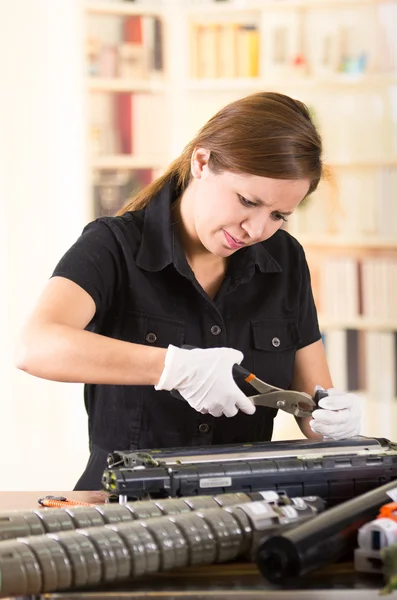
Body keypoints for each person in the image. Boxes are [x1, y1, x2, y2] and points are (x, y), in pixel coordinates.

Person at [15, 92, 361, 490]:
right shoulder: (114, 245)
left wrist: (332, 420)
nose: (257, 229)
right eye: (248, 201)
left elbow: (308, 400)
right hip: (123, 508)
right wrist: (174, 368)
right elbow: (35, 346)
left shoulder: (285, 258)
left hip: (242, 510)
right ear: (201, 162)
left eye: (278, 215)